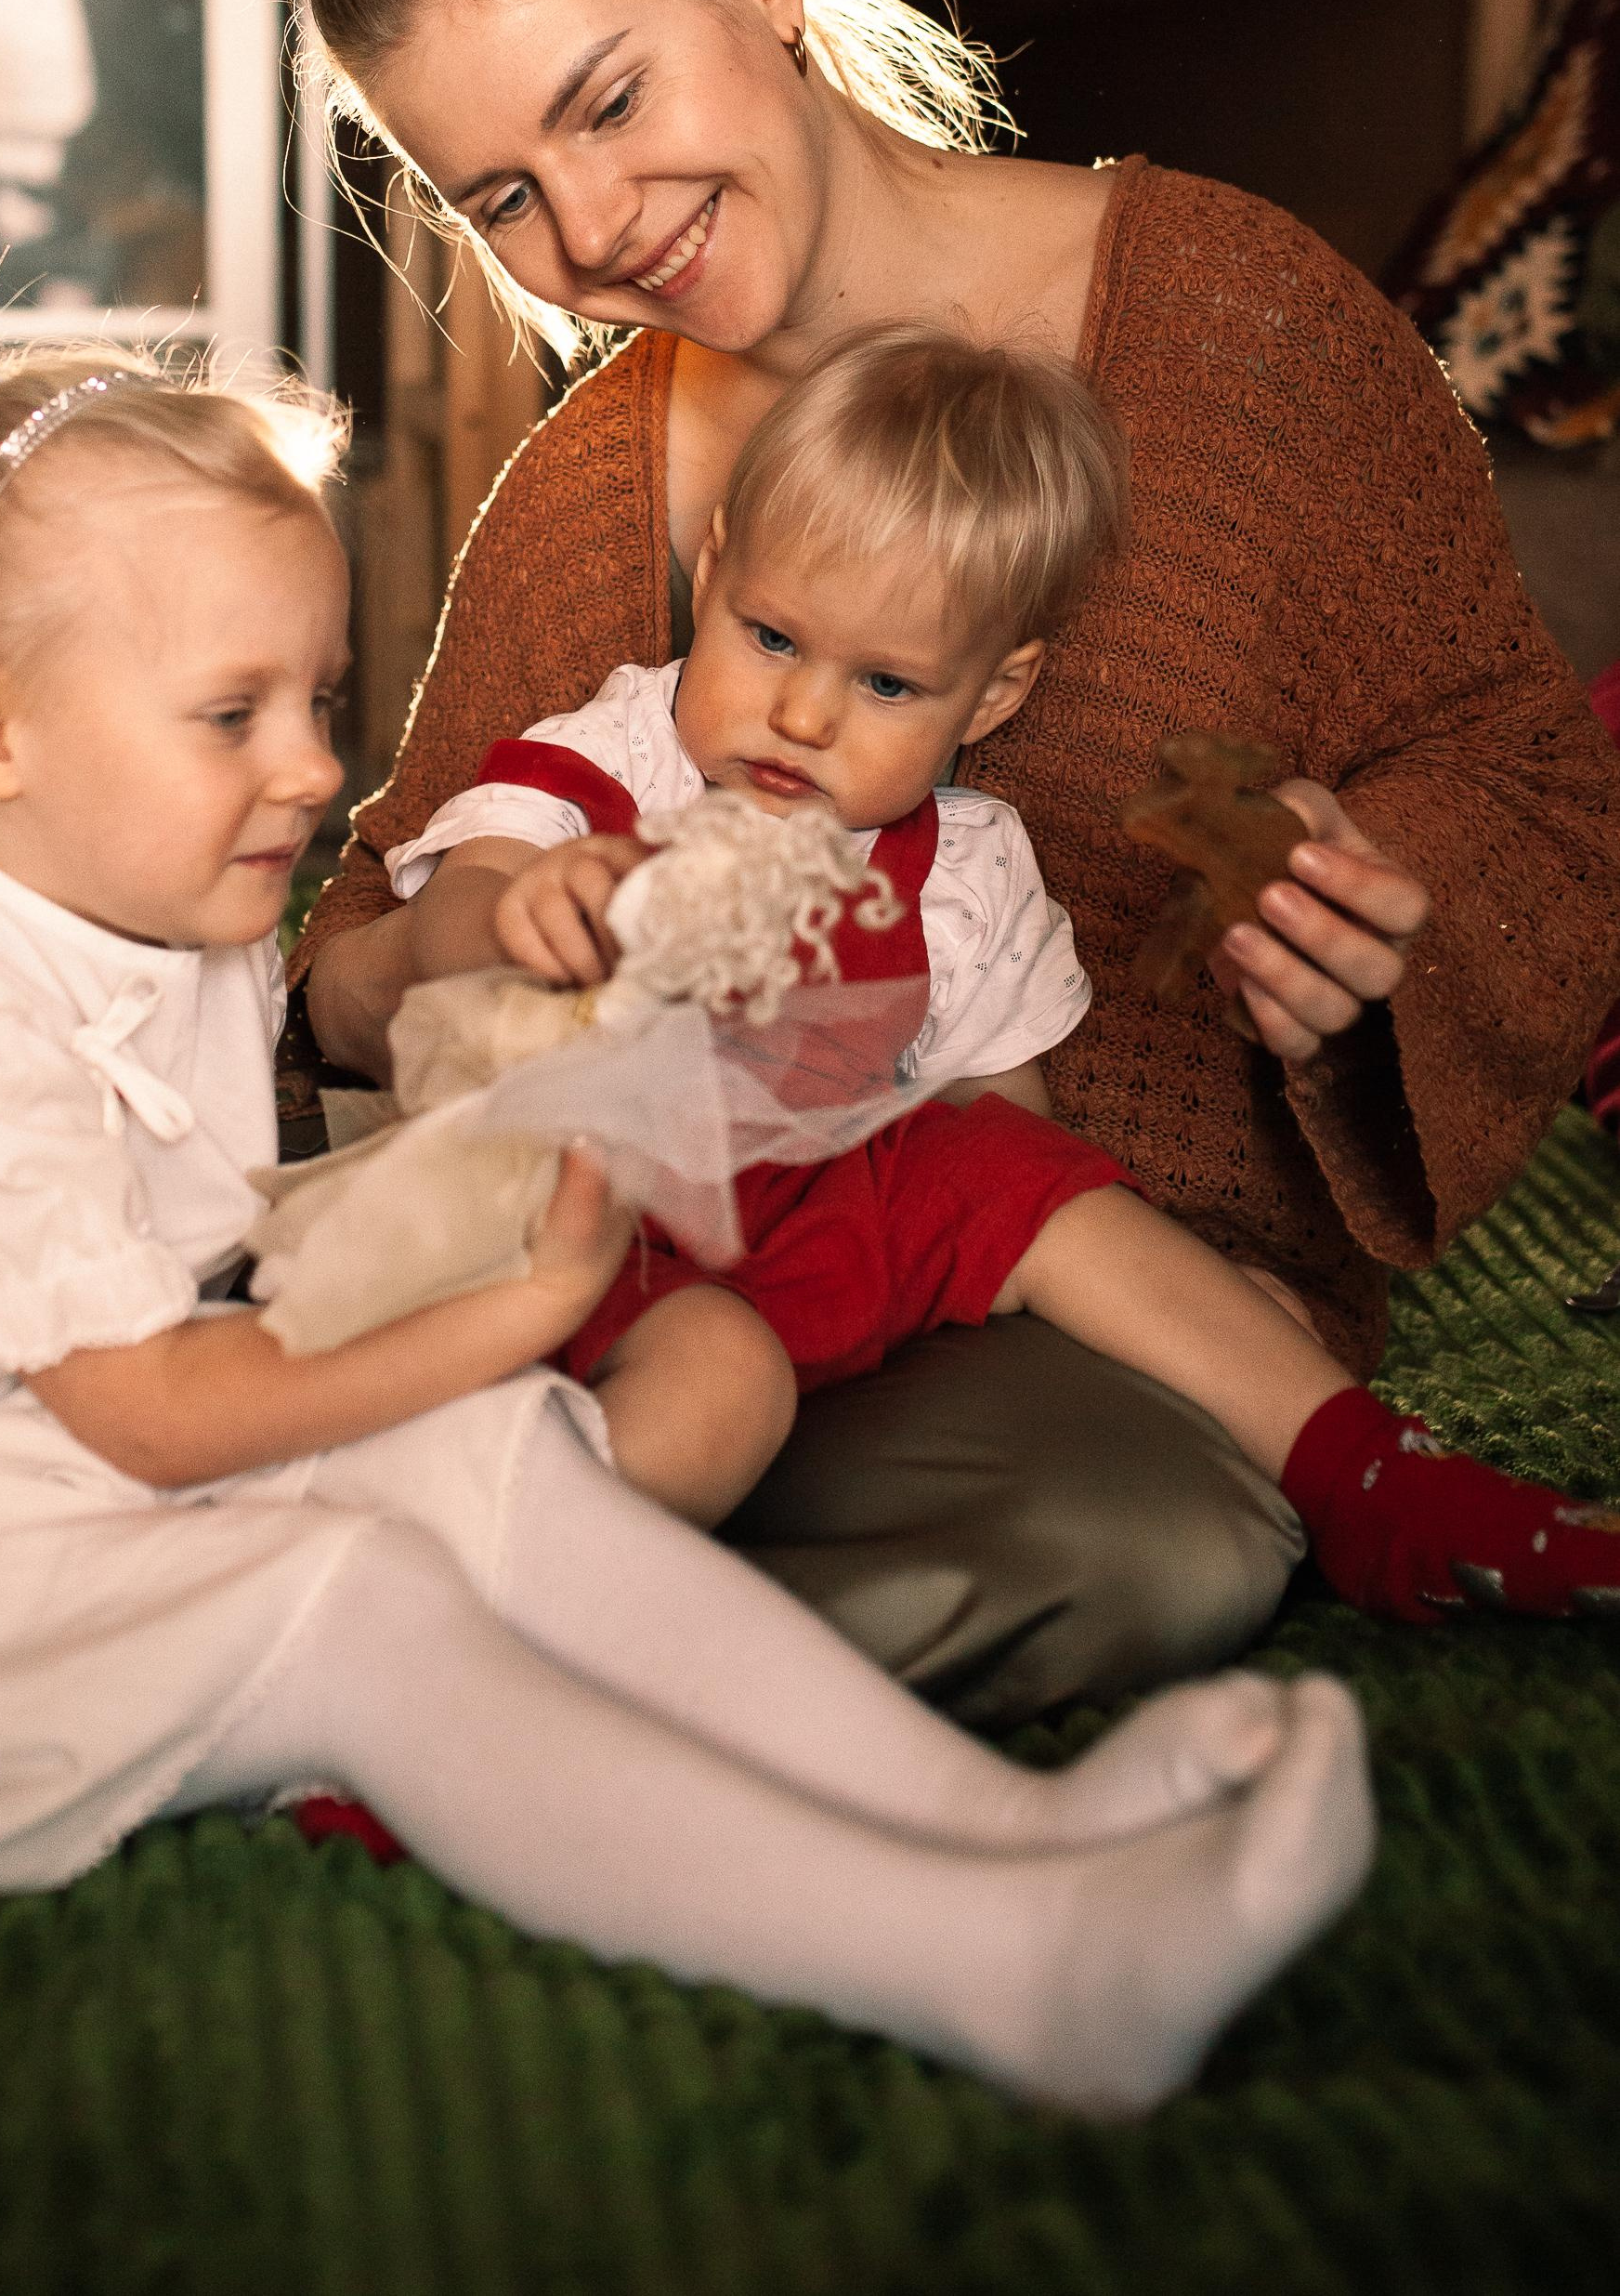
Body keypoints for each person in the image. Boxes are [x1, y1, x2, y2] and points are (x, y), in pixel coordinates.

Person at [0, 340, 1375, 2118]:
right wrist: (539, 1290)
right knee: (352, 1598)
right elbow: (152, 1410)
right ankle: (1012, 1967)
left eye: (316, 700)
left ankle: (1012, 1828)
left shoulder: (152, 895)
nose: (320, 771)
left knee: (496, 1452)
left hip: (33, 1457)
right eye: (235, 714)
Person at [293, 0, 1620, 1725]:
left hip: (1109, 1287)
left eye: (612, 99)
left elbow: (1514, 758)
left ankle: (456, 1652)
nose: (591, 226)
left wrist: (1385, 907)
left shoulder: (1236, 323)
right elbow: (365, 934)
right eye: (501, 199)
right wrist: (429, 960)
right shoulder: (591, 493)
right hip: (675, 1279)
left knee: (1148, 1541)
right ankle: (473, 1619)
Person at [386, 324, 1620, 1626]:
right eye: (767, 639)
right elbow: (449, 922)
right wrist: (535, 911)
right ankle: (470, 1621)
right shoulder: (613, 756)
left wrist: (1146, 1280)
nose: (803, 717)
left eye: (885, 682)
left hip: (813, 1243)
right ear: (711, 571)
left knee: (1028, 1184)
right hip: (585, 1220)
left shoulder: (965, 868)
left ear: (990, 694)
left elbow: (1006, 1151)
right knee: (714, 1387)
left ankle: (1370, 1479)